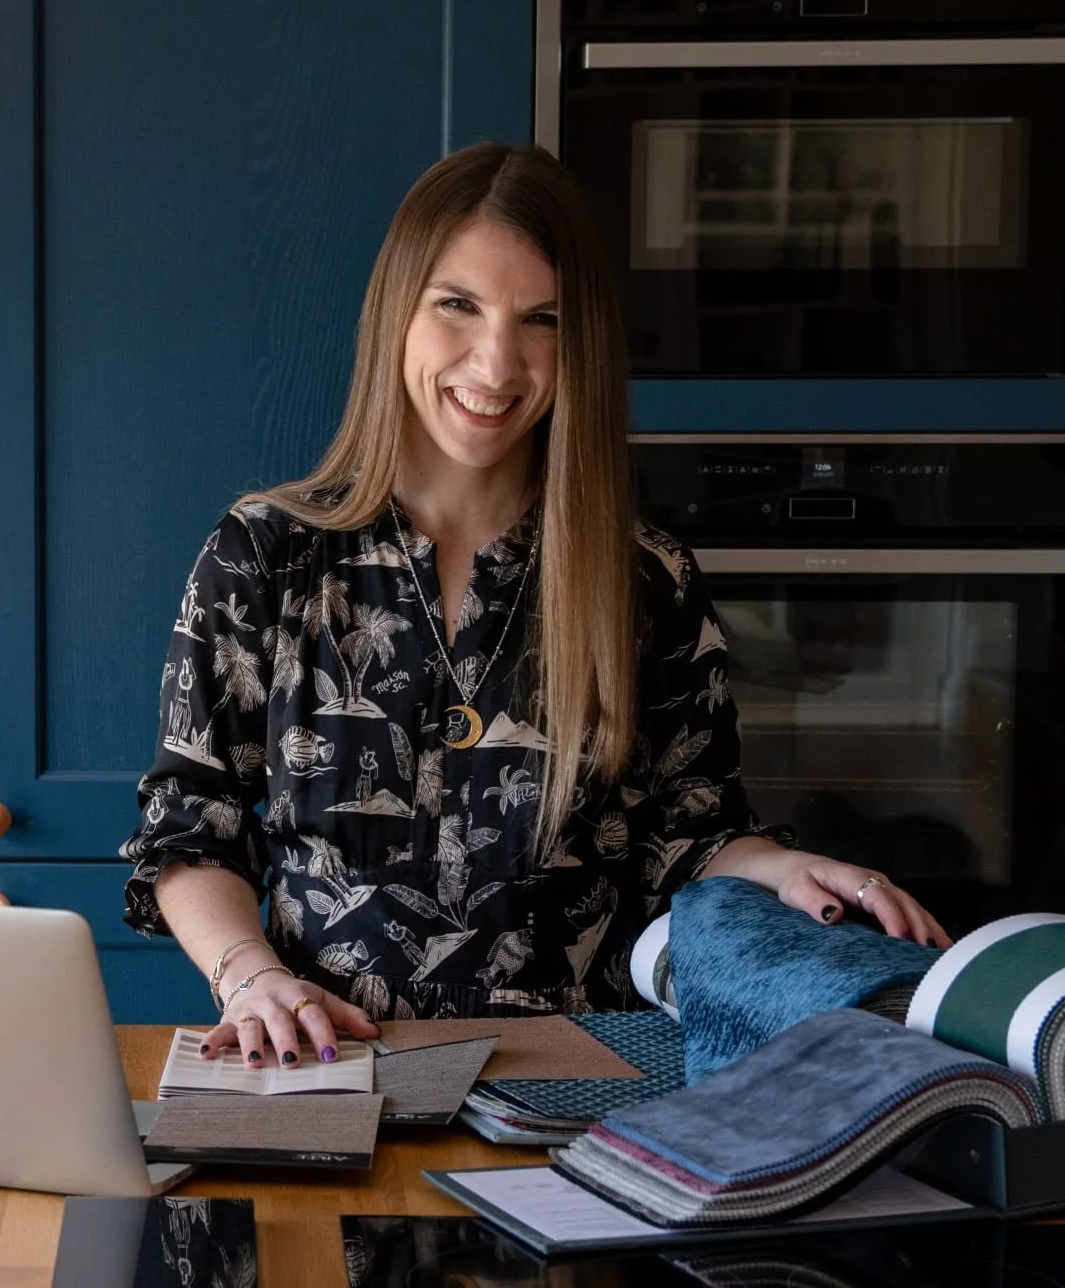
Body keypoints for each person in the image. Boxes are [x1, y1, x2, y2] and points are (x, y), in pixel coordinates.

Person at [118, 141, 950, 1071]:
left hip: (576, 1078)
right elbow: (190, 826)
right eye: (459, 306)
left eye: (542, 319)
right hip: (322, 1066)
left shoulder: (649, 581)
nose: (497, 364)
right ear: (398, 310)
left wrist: (784, 869)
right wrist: (250, 978)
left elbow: (692, 831)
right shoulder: (266, 552)